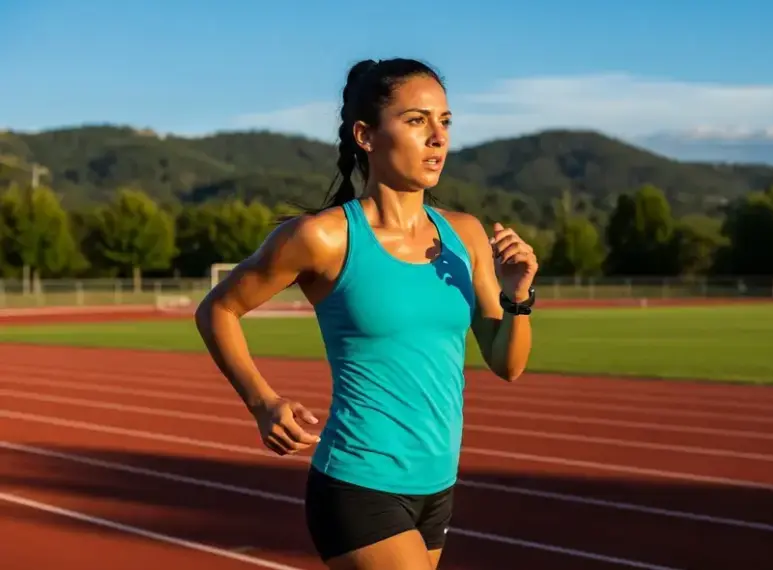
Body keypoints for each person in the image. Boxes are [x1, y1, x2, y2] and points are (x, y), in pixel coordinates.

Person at [194, 57, 538, 570]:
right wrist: (262, 402)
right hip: (359, 482)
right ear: (366, 135)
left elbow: (507, 364)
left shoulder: (465, 235)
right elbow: (217, 309)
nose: (437, 138)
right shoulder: (323, 237)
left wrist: (518, 296)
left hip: (438, 484)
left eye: (445, 121)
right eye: (417, 120)